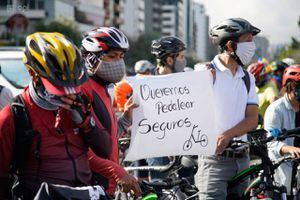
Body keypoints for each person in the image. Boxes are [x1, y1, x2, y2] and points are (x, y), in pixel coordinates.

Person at [0, 32, 112, 199]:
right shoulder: (13, 116)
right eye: (59, 85)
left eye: (72, 84)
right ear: (34, 75)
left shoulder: (79, 102)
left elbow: (105, 150)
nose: (66, 93)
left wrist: (85, 120)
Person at [195, 18, 259, 199]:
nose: (252, 46)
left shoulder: (247, 78)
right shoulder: (205, 73)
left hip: (242, 160)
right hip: (214, 161)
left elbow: (252, 119)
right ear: (231, 45)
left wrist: (227, 135)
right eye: (248, 41)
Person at [80, 27, 141, 198]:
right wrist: (117, 172)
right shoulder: (83, 90)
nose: (119, 63)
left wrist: (126, 117)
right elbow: (78, 148)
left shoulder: (104, 88)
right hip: (89, 186)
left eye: (121, 57)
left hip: (107, 186)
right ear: (91, 57)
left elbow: (107, 139)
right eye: (112, 56)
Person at [148, 36, 187, 180]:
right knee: (161, 189)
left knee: (189, 189)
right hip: (157, 149)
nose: (184, 61)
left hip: (185, 147)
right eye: (181, 57)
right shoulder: (146, 84)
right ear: (170, 60)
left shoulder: (187, 80)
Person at [265, 65, 300, 196]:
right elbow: (271, 143)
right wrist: (291, 149)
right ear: (290, 86)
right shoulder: (276, 110)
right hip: (281, 177)